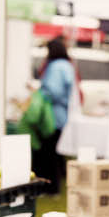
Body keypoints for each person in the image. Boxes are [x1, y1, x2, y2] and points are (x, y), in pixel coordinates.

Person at [35, 37, 75, 194]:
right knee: (55, 155)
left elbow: (54, 91)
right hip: (61, 115)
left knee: (49, 154)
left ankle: (51, 188)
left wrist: (40, 92)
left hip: (53, 117)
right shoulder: (67, 65)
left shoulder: (56, 67)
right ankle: (54, 186)